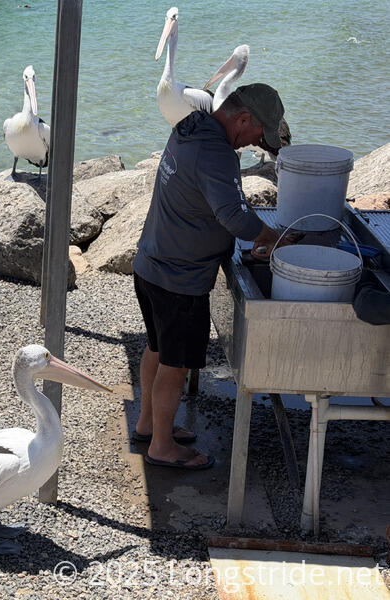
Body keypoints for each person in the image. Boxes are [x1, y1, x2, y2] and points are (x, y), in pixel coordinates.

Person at [132, 83, 288, 470]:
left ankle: (149, 425)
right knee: (176, 364)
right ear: (244, 118)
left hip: (151, 262)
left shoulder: (192, 125)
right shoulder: (216, 151)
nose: (255, 142)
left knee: (156, 347)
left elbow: (209, 198)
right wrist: (272, 237)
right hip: (179, 278)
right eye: (257, 134)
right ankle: (162, 447)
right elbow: (234, 217)